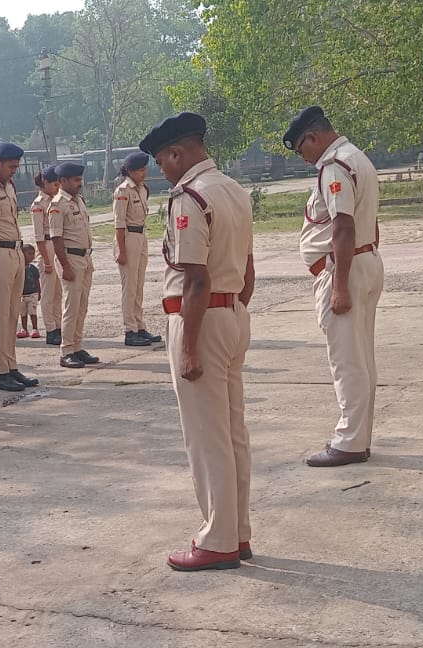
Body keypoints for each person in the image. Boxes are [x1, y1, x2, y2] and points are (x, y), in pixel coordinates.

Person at [141, 112, 256, 572]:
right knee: (231, 432)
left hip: (199, 320)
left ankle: (218, 538)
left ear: (177, 152)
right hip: (230, 314)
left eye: (162, 161)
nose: (161, 171)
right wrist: (234, 309)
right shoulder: (232, 190)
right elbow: (246, 269)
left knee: (206, 437)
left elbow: (193, 278)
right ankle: (237, 530)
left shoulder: (189, 198)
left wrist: (188, 346)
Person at [285, 106, 386, 468]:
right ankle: (358, 435)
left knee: (347, 361)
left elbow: (342, 226)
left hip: (343, 269)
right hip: (363, 260)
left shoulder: (334, 166)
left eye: (302, 149)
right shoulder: (356, 157)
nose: (304, 158)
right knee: (361, 358)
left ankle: (350, 441)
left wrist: (339, 286)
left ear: (313, 137)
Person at [0, 143, 39, 393]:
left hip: (15, 251)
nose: (14, 171)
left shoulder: (9, 187)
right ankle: (1, 371)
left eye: (17, 167)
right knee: (0, 316)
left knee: (13, 314)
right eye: (11, 167)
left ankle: (12, 366)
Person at [48, 161, 99, 370]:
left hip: (85, 258)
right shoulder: (58, 205)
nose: (80, 183)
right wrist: (65, 265)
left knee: (82, 306)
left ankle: (77, 346)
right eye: (76, 180)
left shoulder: (79, 200)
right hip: (70, 258)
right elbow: (56, 238)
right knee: (71, 307)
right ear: (62, 181)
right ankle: (66, 350)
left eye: (80, 179)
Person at [114, 151, 161, 347]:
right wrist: (122, 250)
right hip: (128, 237)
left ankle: (140, 325)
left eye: (145, 169)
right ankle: (130, 330)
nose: (144, 173)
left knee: (139, 284)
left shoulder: (142, 189)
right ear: (130, 171)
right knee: (129, 286)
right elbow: (119, 223)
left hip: (141, 235)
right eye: (140, 170)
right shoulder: (123, 191)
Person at [29, 167, 65, 346]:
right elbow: (38, 236)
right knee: (48, 293)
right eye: (54, 184)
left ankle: (59, 326)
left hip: (58, 244)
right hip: (46, 246)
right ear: (45, 183)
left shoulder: (57, 201)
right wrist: (46, 260)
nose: (57, 187)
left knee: (58, 291)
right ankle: (50, 329)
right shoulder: (38, 204)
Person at [19, 243, 42, 339]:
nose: (32, 256)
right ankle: (24, 329)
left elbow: (37, 281)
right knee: (23, 313)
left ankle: (35, 329)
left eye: (33, 254)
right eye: (29, 254)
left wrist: (39, 292)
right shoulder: (18, 269)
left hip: (33, 294)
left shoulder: (33, 269)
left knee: (32, 312)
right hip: (21, 295)